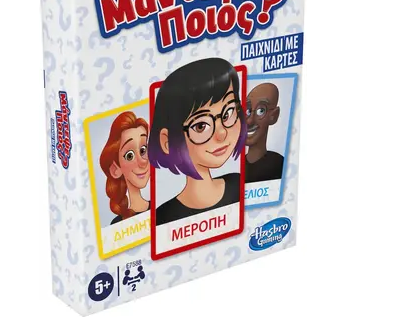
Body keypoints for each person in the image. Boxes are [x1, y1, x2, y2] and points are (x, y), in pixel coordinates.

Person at [148, 58, 247, 226]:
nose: (222, 133)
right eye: (201, 126)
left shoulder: (239, 184)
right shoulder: (164, 218)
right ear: (167, 141)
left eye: (228, 113)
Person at [99, 111, 151, 225]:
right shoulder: (117, 224)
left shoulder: (160, 209)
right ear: (115, 169)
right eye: (130, 156)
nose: (142, 161)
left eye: (143, 150)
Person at [244, 82, 284, 184]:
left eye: (261, 111)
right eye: (248, 111)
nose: (249, 121)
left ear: (273, 116)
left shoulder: (279, 165)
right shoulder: (236, 168)